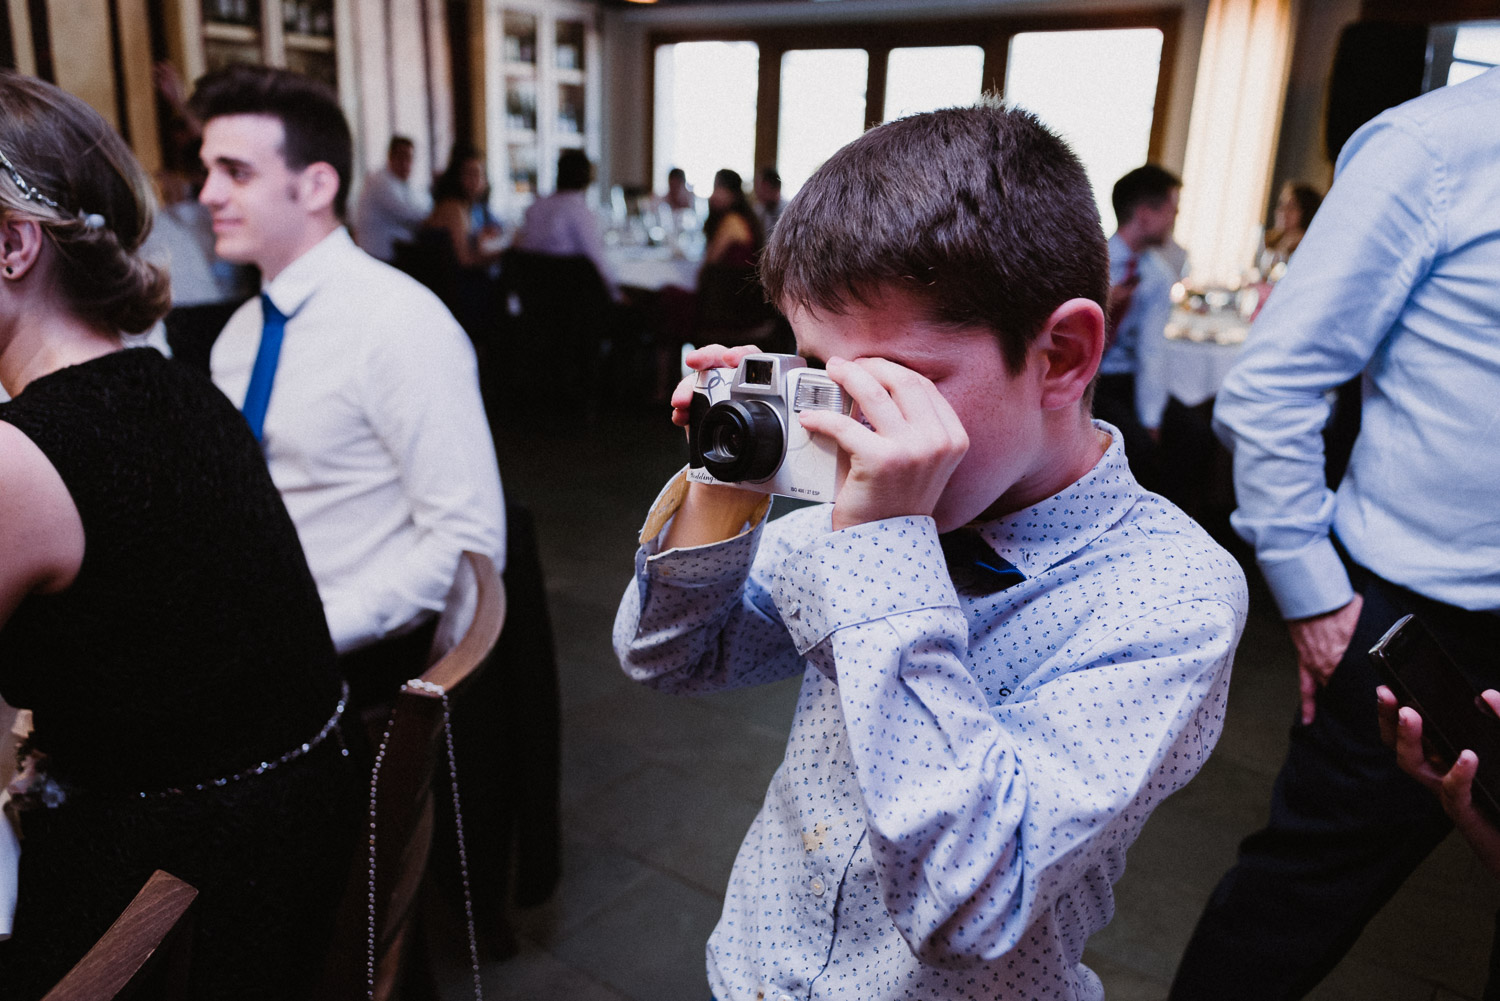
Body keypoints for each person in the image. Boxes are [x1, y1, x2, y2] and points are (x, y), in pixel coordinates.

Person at [613, 102, 1247, 1001]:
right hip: (757, 967)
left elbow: (970, 904)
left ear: (1061, 354)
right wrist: (731, 475)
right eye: (822, 374)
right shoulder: (863, 499)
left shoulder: (1169, 597)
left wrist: (884, 552)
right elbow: (671, 653)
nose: (846, 428)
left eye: (891, 382)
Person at [0, 71, 360, 999]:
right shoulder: (177, 383)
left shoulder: (28, 452)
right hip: (282, 857)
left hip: (166, 919)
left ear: (12, 242)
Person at [1169, 67, 1500, 1000]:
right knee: (1290, 910)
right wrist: (1318, 603)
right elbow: (1270, 390)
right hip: (1417, 626)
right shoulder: (1432, 148)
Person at [191, 65, 505, 705]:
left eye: (236, 172)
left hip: (356, 672)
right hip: (251, 641)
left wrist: (305, 633)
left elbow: (467, 542)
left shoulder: (399, 324)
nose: (207, 195)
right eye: (207, 171)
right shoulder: (239, 336)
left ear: (315, 185)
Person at [1094, 164, 1180, 490]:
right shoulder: (1091, 261)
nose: (1174, 219)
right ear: (1145, 214)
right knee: (1138, 448)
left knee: (1193, 435)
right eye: (1172, 209)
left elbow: (1152, 350)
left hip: (1125, 377)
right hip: (1089, 377)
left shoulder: (1157, 275)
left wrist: (1151, 417)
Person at [513, 148, 619, 300]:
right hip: (575, 306)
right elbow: (597, 263)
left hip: (537, 304)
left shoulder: (534, 207)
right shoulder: (580, 211)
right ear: (586, 178)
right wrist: (617, 295)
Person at [354, 135, 432, 263]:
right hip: (377, 256)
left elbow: (426, 206)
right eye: (401, 157)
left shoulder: (406, 184)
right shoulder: (379, 180)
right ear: (390, 156)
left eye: (409, 158)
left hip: (396, 253)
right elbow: (409, 213)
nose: (406, 163)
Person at [1256, 180, 1322, 279]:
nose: (1283, 212)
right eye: (1281, 204)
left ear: (1307, 212)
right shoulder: (1271, 240)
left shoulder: (1310, 249)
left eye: (1292, 207)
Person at [753, 164, 784, 236]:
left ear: (776, 189)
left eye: (764, 190)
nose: (758, 193)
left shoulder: (788, 213)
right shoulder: (758, 210)